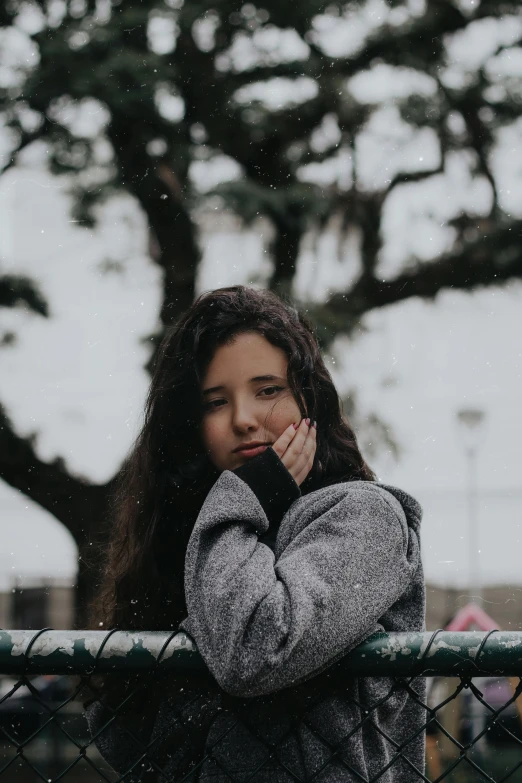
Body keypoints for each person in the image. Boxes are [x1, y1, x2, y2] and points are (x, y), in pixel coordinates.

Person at [83, 285, 426, 782]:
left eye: (268, 390)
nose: (244, 420)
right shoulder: (199, 534)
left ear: (308, 399)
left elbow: (253, 652)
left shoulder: (366, 517)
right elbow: (120, 733)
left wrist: (248, 499)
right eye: (215, 402)